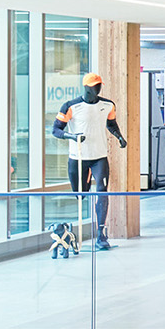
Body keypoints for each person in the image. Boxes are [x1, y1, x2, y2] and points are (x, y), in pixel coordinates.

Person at [53, 72, 126, 252]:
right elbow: (55, 129)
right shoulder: (71, 106)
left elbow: (111, 124)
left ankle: (101, 234)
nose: (97, 88)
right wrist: (72, 136)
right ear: (86, 87)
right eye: (94, 85)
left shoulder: (108, 105)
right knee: (80, 194)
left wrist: (120, 137)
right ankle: (68, 231)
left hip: (99, 156)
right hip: (78, 157)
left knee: (102, 192)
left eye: (99, 84)